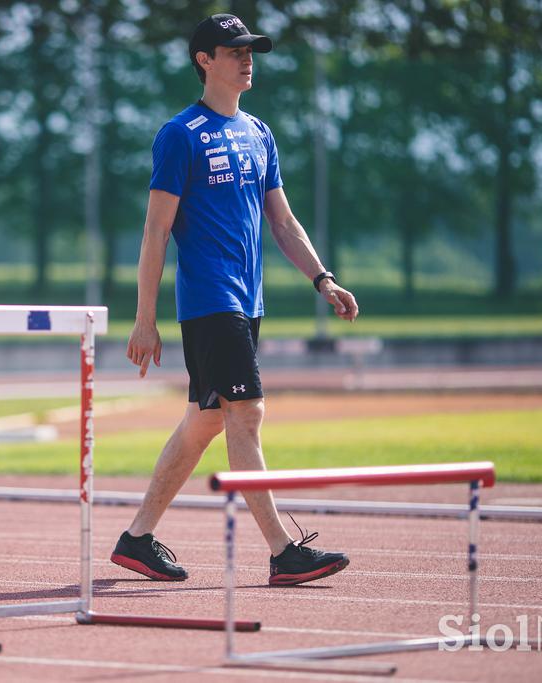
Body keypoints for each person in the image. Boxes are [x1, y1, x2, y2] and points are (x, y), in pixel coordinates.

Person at [110, 13, 360, 587]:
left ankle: (137, 539)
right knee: (247, 414)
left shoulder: (259, 133)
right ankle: (283, 552)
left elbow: (284, 220)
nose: (247, 59)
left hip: (248, 303)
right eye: (234, 50)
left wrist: (323, 279)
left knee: (205, 423)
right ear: (205, 60)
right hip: (209, 300)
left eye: (251, 50)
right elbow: (154, 234)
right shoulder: (179, 135)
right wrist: (144, 319)